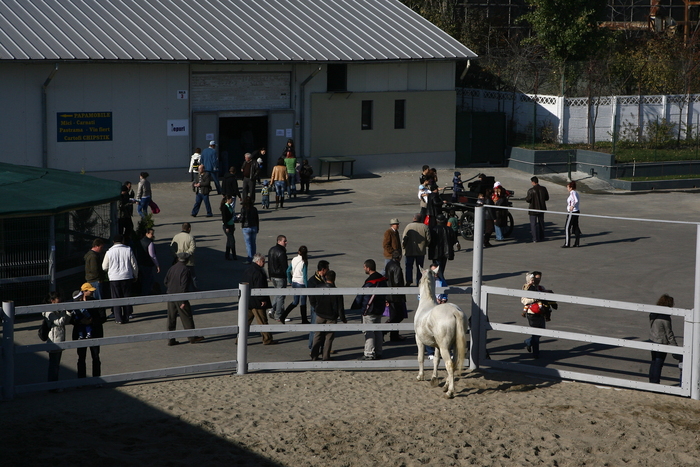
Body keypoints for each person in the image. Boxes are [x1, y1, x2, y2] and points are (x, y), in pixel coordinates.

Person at [351, 259, 388, 360]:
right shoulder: (382, 279)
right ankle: (379, 351)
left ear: (368, 268)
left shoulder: (370, 282)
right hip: (379, 309)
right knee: (378, 331)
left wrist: (358, 307)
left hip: (370, 310)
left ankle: (369, 353)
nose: (364, 269)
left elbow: (364, 297)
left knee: (369, 332)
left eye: (364, 267)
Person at [164, 252, 204, 346]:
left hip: (170, 295)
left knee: (171, 318)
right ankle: (192, 337)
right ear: (186, 260)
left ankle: (171, 339)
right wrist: (183, 301)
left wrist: (171, 289)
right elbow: (184, 286)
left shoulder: (172, 268)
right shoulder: (185, 270)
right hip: (180, 296)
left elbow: (165, 281)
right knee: (186, 316)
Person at [71, 283, 107, 381]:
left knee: (95, 357)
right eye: (89, 290)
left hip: (94, 332)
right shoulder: (75, 303)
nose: (92, 291)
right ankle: (81, 379)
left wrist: (91, 321)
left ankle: (96, 379)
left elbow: (103, 317)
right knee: (81, 357)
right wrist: (81, 321)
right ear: (83, 291)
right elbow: (71, 319)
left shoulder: (96, 302)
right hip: (80, 333)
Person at [310, 270, 346, 361]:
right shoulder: (337, 291)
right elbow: (340, 307)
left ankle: (314, 355)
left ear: (326, 277)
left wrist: (316, 308)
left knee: (317, 336)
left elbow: (313, 299)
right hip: (331, 317)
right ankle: (325, 356)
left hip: (320, 314)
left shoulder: (318, 287)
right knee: (329, 338)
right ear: (334, 278)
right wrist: (343, 318)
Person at [102, 234, 138, 324]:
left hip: (114, 278)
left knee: (116, 298)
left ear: (113, 242)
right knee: (126, 297)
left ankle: (118, 318)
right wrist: (135, 275)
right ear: (122, 241)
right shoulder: (128, 249)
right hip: (127, 276)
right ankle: (126, 316)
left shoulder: (109, 252)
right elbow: (134, 264)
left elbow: (104, 267)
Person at [241, 253, 276, 345]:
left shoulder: (248, 270)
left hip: (247, 300)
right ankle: (267, 339)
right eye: (263, 261)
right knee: (263, 321)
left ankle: (239, 339)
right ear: (258, 261)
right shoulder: (259, 272)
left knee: (245, 321)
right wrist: (262, 299)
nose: (264, 263)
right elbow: (260, 287)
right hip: (257, 302)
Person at [521, 271, 556, 359]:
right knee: (536, 335)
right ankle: (536, 354)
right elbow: (524, 301)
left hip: (541, 312)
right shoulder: (527, 288)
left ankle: (528, 342)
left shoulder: (541, 288)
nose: (538, 280)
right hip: (532, 313)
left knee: (541, 332)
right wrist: (535, 298)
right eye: (536, 278)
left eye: (539, 278)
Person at [649, 294, 682, 384]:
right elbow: (669, 334)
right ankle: (655, 383)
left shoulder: (653, 314)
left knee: (653, 362)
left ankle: (652, 381)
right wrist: (676, 349)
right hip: (661, 342)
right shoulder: (665, 318)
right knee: (658, 364)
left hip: (653, 339)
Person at [43, 291, 71, 389]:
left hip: (59, 339)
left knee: (56, 364)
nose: (61, 300)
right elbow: (59, 322)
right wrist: (64, 311)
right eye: (58, 298)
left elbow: (65, 321)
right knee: (53, 365)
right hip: (53, 340)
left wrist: (67, 313)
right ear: (52, 301)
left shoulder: (57, 310)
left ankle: (54, 384)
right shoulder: (48, 312)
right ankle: (52, 386)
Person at [280, 245, 309, 324]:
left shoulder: (294, 259)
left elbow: (288, 271)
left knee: (295, 302)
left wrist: (290, 280)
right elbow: (305, 276)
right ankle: (304, 320)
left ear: (298, 252)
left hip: (294, 282)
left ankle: (283, 316)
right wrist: (307, 286)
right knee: (303, 302)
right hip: (301, 283)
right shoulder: (304, 261)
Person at [306, 260, 330, 349]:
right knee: (314, 328)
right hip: (316, 307)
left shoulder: (325, 279)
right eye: (327, 268)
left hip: (323, 307)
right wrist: (316, 306)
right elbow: (311, 297)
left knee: (322, 329)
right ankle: (312, 347)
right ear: (323, 269)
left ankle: (321, 347)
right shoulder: (313, 281)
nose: (329, 270)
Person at [402, 213, 431, 287]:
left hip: (409, 250)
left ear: (414, 218)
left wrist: (404, 247)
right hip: (420, 251)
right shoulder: (425, 227)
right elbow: (428, 239)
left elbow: (404, 239)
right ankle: (419, 281)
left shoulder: (408, 226)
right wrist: (424, 246)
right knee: (420, 267)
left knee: (408, 266)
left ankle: (409, 280)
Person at [384, 250, 407, 342]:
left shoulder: (389, 264)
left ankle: (394, 335)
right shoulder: (396, 266)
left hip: (389, 294)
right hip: (396, 296)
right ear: (400, 257)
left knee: (395, 315)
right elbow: (397, 282)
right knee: (398, 316)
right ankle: (383, 332)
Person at [428, 214, 457, 281]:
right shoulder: (449, 229)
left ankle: (439, 279)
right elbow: (453, 240)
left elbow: (430, 240)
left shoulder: (433, 229)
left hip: (435, 251)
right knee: (442, 266)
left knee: (436, 267)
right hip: (446, 251)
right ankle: (439, 278)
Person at [267, 235, 289, 320]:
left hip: (273, 276)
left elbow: (269, 264)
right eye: (284, 241)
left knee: (277, 294)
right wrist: (288, 277)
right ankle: (279, 315)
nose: (286, 243)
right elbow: (285, 266)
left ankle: (272, 309)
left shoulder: (271, 250)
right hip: (280, 276)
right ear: (279, 241)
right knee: (281, 296)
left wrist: (269, 275)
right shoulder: (281, 252)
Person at [170, 223, 197, 287]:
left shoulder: (176, 236)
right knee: (192, 277)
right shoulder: (191, 237)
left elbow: (172, 248)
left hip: (178, 261)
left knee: (179, 276)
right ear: (189, 229)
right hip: (189, 261)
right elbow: (192, 249)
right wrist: (185, 255)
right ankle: (196, 291)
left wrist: (177, 256)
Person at [525, 176, 549, 243]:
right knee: (541, 223)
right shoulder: (543, 189)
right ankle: (542, 236)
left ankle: (535, 238)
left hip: (533, 209)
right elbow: (547, 198)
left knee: (533, 224)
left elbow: (528, 199)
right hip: (541, 208)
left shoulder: (531, 190)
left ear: (533, 182)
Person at [137, 228, 160, 296]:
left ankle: (144, 292)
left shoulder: (140, 241)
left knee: (143, 279)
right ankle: (146, 293)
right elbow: (152, 255)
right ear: (147, 234)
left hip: (140, 263)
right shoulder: (149, 243)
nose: (152, 235)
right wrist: (157, 265)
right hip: (147, 264)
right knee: (148, 279)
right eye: (151, 234)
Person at [239, 196, 259, 264]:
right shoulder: (254, 209)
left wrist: (238, 218)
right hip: (254, 227)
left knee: (248, 244)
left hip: (246, 227)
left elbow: (242, 219)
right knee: (253, 243)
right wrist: (257, 228)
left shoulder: (243, 209)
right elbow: (257, 219)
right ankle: (254, 258)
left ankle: (250, 258)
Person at [562, 181, 581, 248]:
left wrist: (572, 206)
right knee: (575, 226)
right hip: (576, 211)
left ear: (571, 187)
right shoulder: (575, 193)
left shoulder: (572, 192)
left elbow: (575, 200)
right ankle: (577, 243)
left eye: (567, 187)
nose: (567, 188)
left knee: (567, 227)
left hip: (572, 212)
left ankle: (567, 243)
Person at [220, 195, 237, 261]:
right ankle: (234, 255)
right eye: (231, 199)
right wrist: (226, 227)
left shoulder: (230, 206)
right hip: (227, 226)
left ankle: (227, 255)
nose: (232, 200)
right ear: (228, 199)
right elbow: (224, 218)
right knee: (232, 241)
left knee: (229, 241)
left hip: (231, 225)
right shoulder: (225, 207)